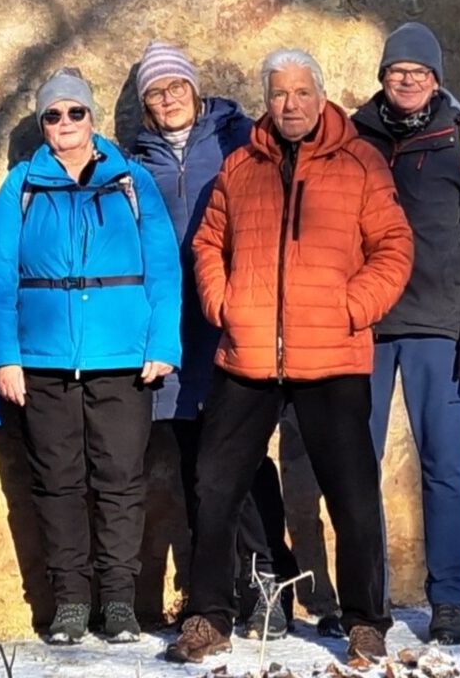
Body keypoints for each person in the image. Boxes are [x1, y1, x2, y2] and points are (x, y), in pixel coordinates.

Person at [166, 48, 414, 667]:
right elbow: (208, 241)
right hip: (247, 353)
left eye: (302, 93)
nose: (291, 105)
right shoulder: (241, 164)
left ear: (320, 94)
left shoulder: (360, 162)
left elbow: (393, 245)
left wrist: (353, 308)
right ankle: (209, 615)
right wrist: (223, 302)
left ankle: (364, 620)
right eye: (279, 94)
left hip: (331, 354)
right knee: (216, 487)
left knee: (353, 495)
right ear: (267, 100)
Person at [126, 41, 323, 639]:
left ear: (195, 87)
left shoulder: (237, 139)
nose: (169, 99)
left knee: (243, 461)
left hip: (236, 322)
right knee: (195, 469)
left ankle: (269, 580)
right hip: (173, 330)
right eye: (155, 93)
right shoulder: (134, 162)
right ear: (146, 105)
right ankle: (216, 593)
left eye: (176, 86)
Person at [0, 67, 182, 647]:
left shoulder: (131, 181)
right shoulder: (20, 186)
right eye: (53, 115)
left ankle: (118, 601)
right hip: (43, 363)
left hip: (123, 360)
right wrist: (4, 356)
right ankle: (70, 600)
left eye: (75, 112)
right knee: (57, 482)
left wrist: (162, 344)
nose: (65, 123)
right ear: (42, 125)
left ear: (91, 119)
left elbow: (164, 268)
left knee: (121, 481)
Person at [351, 22, 460, 648]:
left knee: (444, 467)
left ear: (436, 79)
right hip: (364, 324)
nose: (408, 80)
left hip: (438, 329)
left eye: (419, 72)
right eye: (397, 71)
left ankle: (449, 601)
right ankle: (367, 600)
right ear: (384, 78)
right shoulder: (356, 138)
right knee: (355, 467)